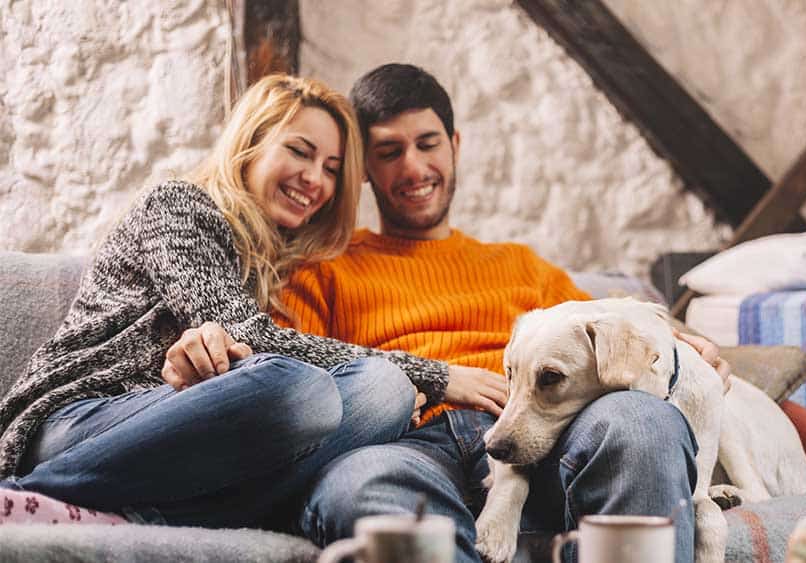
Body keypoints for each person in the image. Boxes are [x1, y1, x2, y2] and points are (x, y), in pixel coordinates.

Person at [167, 64, 730, 562]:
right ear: (363, 170)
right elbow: (289, 384)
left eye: (427, 143)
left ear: (455, 144)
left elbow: (614, 335)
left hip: (546, 443)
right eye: (389, 151)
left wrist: (689, 346)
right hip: (407, 448)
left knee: (642, 423)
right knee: (361, 484)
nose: (413, 167)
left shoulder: (523, 267)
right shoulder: (320, 272)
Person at [0, 73, 468, 531]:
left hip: (180, 439)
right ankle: (32, 493)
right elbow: (249, 338)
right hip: (76, 420)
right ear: (250, 144)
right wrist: (434, 374)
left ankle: (141, 515)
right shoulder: (180, 206)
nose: (314, 180)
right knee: (301, 388)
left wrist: (402, 385)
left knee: (383, 392)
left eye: (331, 168)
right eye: (299, 152)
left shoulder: (274, 267)